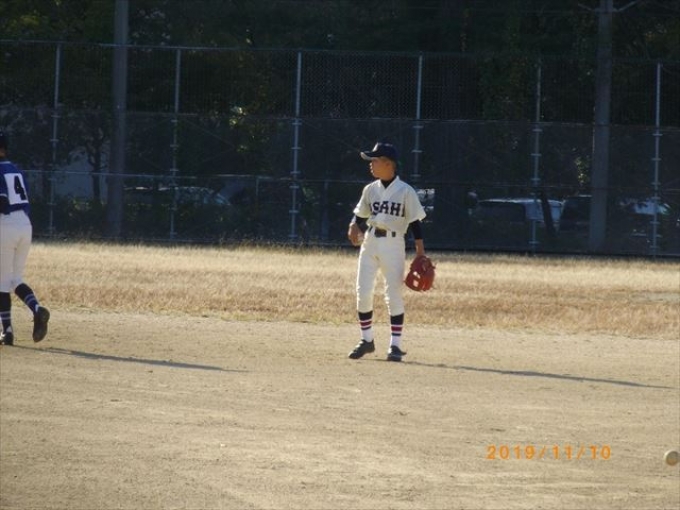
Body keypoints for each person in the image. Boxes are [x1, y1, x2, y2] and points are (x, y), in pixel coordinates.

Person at [347, 141, 427, 362]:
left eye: (374, 160)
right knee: (363, 291)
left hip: (393, 243)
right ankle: (367, 340)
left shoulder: (405, 191)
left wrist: (420, 251)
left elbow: (415, 222)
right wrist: (354, 224)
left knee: (393, 294)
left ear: (388, 163)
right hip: (370, 241)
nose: (371, 164)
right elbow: (360, 215)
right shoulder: (370, 189)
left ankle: (395, 345)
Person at [0, 131, 50, 346]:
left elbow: (2, 201)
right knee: (15, 279)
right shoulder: (16, 170)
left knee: (2, 283)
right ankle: (37, 310)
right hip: (24, 225)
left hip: (6, 224)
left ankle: (7, 332)